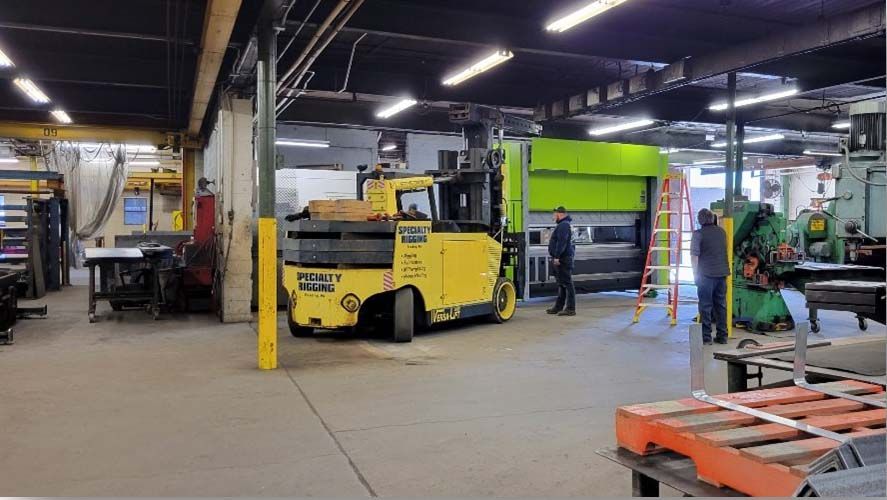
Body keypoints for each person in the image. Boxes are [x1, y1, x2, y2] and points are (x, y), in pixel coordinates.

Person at [690, 208, 730, 345]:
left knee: (705, 306)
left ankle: (706, 338)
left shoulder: (698, 234)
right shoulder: (722, 232)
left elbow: (694, 256)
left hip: (706, 275)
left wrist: (695, 274)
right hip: (722, 274)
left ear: (699, 220)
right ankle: (722, 336)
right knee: (721, 306)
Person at [547, 206, 576, 316]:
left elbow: (562, 242)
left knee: (567, 283)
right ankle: (558, 307)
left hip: (563, 259)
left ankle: (570, 308)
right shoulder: (565, 224)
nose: (553, 217)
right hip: (564, 258)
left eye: (554, 214)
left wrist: (557, 257)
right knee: (562, 284)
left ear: (559, 214)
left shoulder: (563, 225)